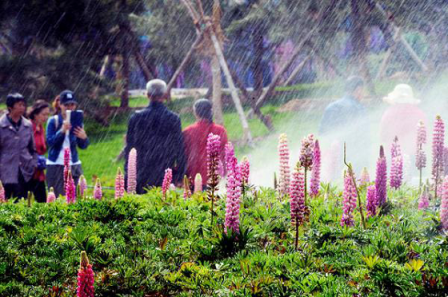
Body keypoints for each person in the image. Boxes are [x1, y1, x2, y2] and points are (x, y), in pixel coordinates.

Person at [124, 79, 186, 194]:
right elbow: (179, 148)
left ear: (147, 95)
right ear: (164, 95)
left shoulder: (136, 118)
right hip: (165, 172)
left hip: (141, 172)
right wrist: (180, 175)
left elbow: (129, 148)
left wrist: (127, 174)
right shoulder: (173, 119)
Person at [319, 76, 371, 177]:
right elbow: (365, 135)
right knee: (354, 186)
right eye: (362, 91)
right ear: (358, 90)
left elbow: (322, 132)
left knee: (336, 186)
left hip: (335, 154)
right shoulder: (360, 109)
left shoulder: (332, 107)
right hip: (356, 155)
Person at [46, 90, 89, 197]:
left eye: (72, 104)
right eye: (66, 105)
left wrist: (84, 138)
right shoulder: (53, 121)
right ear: (60, 105)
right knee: (58, 197)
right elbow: (50, 142)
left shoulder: (78, 121)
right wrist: (62, 131)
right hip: (57, 164)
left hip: (74, 163)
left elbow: (83, 146)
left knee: (78, 196)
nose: (70, 107)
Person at [183, 99, 228, 187]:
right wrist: (225, 173)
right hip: (215, 178)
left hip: (194, 177)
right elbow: (225, 155)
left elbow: (184, 155)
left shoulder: (188, 131)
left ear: (195, 113)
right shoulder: (220, 130)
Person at [0, 93, 38, 199]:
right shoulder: (1, 125)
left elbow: (32, 149)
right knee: (4, 204)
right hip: (5, 172)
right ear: (10, 107)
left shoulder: (27, 125)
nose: (22, 107)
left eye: (23, 105)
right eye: (19, 105)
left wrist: (33, 164)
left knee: (22, 203)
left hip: (24, 171)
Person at [380, 84, 426, 157]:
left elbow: (383, 135)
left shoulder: (388, 113)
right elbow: (424, 136)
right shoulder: (419, 113)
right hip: (412, 153)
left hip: (393, 153)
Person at [28, 100, 51, 202]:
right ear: (35, 114)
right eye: (43, 114)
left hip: (39, 171)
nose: (46, 117)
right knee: (26, 201)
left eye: (47, 114)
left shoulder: (41, 128)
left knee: (42, 201)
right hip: (28, 171)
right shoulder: (28, 127)